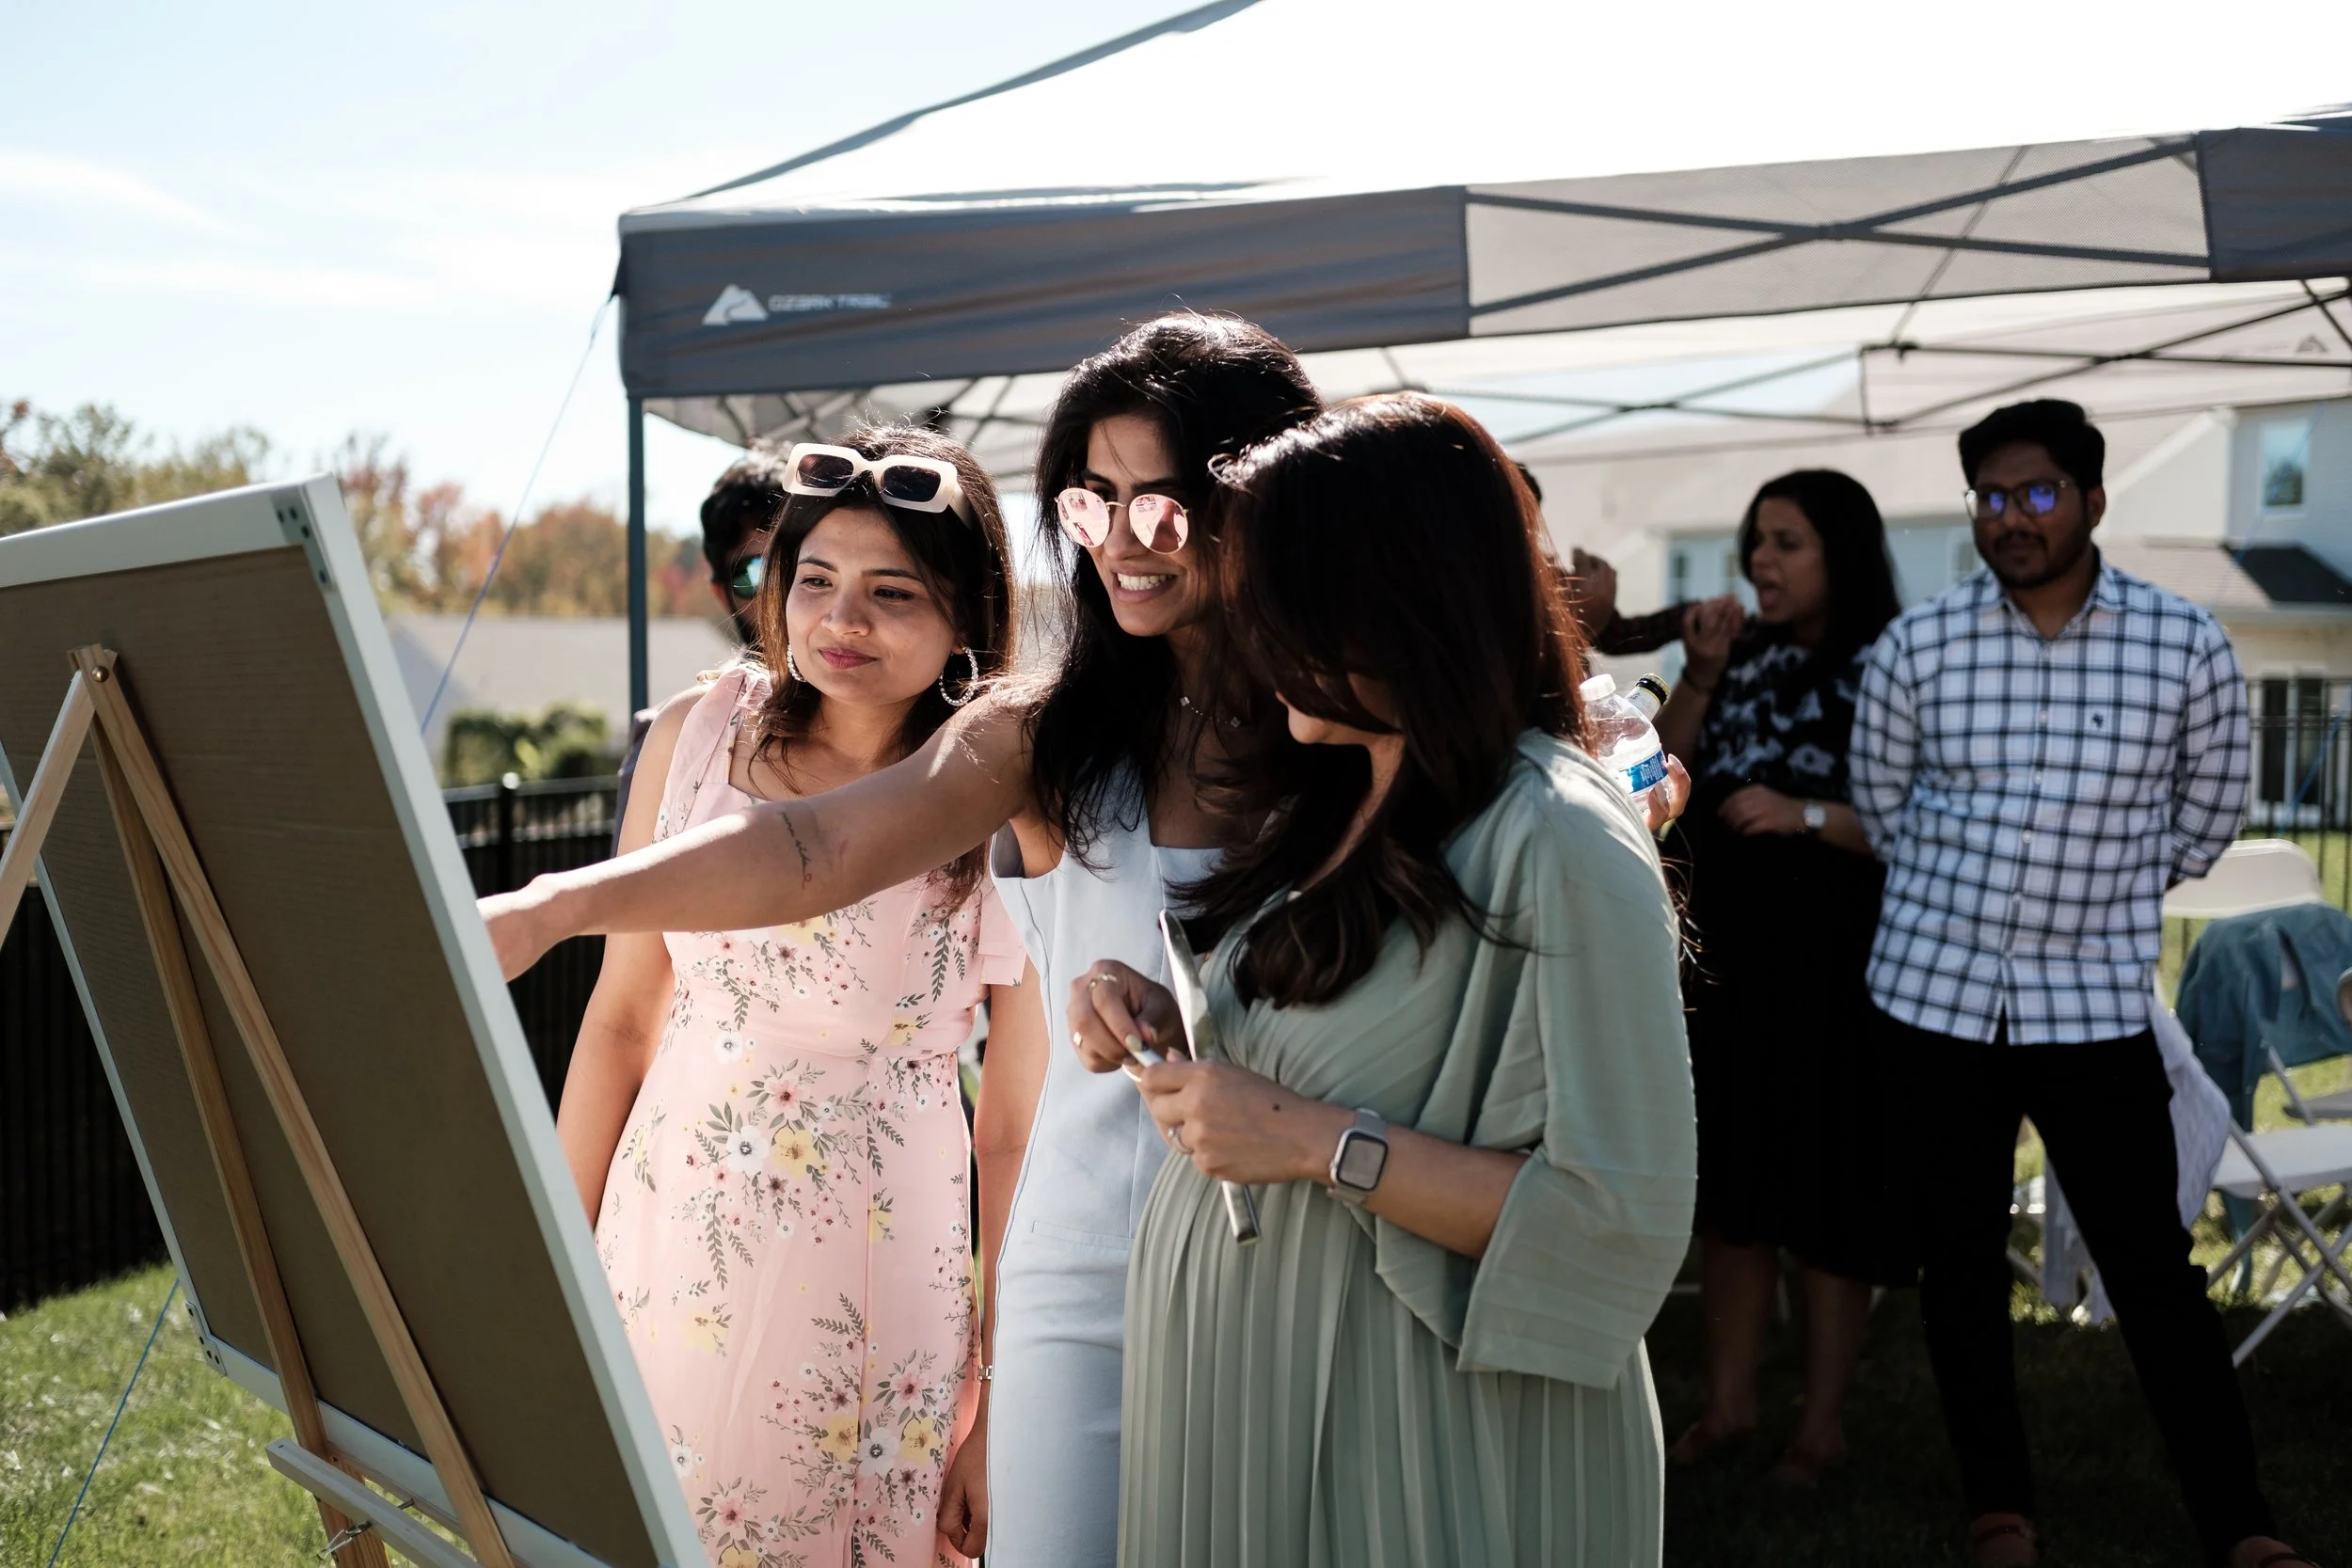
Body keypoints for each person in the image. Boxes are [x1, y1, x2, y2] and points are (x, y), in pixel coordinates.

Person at [487, 315, 1327, 1568]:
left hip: (1292, 1245)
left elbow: (1009, 1109)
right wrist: (557, 902)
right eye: (1092, 504)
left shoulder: (1352, 732)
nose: (1126, 537)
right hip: (1059, 1266)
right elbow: (807, 853)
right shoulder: (1032, 738)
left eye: (1165, 501)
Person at [1068, 393, 1696, 1566]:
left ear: (1392, 595)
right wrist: (1168, 1025)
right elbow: (1313, 1055)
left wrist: (1315, 1141)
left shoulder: (1558, 834)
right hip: (1250, 1411)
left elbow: (1622, 1220)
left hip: (1415, 1429)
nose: (1251, 631)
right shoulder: (1331, 798)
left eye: (1277, 596)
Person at [553, 425, 1033, 1568]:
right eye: (811, 579)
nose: (839, 620)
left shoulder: (1011, 785)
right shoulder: (694, 733)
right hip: (661, 1232)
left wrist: (998, 1401)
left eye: (889, 592)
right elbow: (622, 1017)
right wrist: (555, 1272)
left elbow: (1016, 1128)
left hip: (870, 1274)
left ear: (967, 610)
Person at [1851, 400, 2309, 1568]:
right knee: (1957, 1264)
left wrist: (2086, 885)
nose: (2011, 517)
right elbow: (1885, 807)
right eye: (1990, 498)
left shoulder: (2186, 642)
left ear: (2094, 500)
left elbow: (2208, 816)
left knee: (2153, 1264)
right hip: (1933, 997)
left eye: (2037, 492)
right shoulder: (1920, 643)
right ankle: (1997, 1508)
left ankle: (2240, 1523)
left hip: (2095, 1002)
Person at [1649, 469, 1908, 1487]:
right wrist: (1701, 674)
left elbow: (1924, 818)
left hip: (1842, 967)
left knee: (1828, 1198)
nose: (1761, 559)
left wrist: (1805, 816)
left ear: (1839, 550)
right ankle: (1729, 1409)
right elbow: (1652, 785)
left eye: (1788, 541)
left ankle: (1821, 1428)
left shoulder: (1890, 663)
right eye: (1756, 539)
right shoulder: (1731, 656)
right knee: (1734, 1194)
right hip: (1731, 963)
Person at [612, 448, 792, 839]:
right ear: (719, 591)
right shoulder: (667, 731)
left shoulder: (897, 717)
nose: (782, 590)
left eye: (798, 564)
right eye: (756, 571)